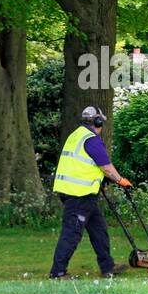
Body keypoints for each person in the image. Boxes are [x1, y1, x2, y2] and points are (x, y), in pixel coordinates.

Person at [49, 106, 132, 279]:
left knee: (98, 229)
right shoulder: (91, 139)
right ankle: (58, 272)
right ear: (98, 121)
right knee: (72, 233)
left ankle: (108, 267)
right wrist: (120, 180)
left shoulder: (75, 135)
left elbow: (83, 164)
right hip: (79, 194)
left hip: (73, 191)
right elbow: (106, 167)